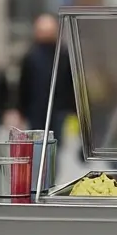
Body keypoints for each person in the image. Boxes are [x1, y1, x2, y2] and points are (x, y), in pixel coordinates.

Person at [10, 13, 74, 141]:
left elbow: (70, 83)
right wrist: (19, 109)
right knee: (38, 143)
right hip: (36, 109)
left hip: (58, 109)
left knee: (55, 143)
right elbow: (24, 84)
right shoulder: (31, 56)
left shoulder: (64, 55)